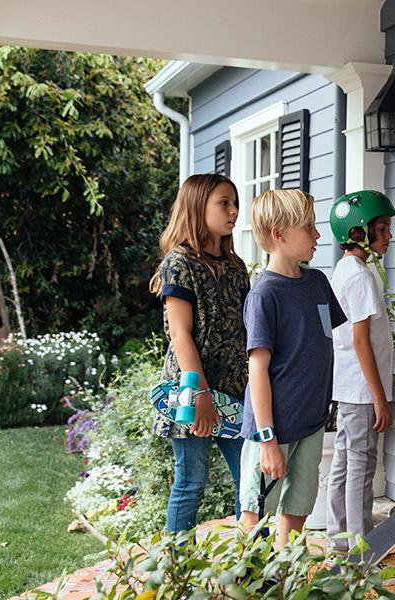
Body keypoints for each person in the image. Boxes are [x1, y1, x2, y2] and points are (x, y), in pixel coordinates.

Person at [237, 188, 347, 546]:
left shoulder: (317, 282)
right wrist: (267, 439)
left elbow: (320, 348)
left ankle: (286, 578)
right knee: (256, 513)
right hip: (273, 429)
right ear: (279, 235)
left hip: (311, 422)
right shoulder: (264, 295)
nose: (318, 235)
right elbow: (258, 371)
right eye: (309, 227)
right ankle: (246, 581)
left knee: (298, 505)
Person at [148, 173, 247, 533]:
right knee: (191, 484)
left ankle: (257, 568)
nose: (234, 210)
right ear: (197, 206)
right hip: (191, 390)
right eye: (224, 203)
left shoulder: (236, 267)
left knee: (252, 486)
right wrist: (201, 393)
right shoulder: (180, 263)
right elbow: (180, 333)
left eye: (235, 202)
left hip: (235, 392)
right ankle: (178, 573)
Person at [325, 190, 395, 552]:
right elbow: (361, 342)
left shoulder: (348, 270)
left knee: (345, 462)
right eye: (381, 229)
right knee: (361, 468)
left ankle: (339, 544)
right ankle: (362, 549)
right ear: (356, 234)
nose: (388, 236)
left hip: (351, 388)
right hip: (363, 391)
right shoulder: (361, 277)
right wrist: (379, 398)